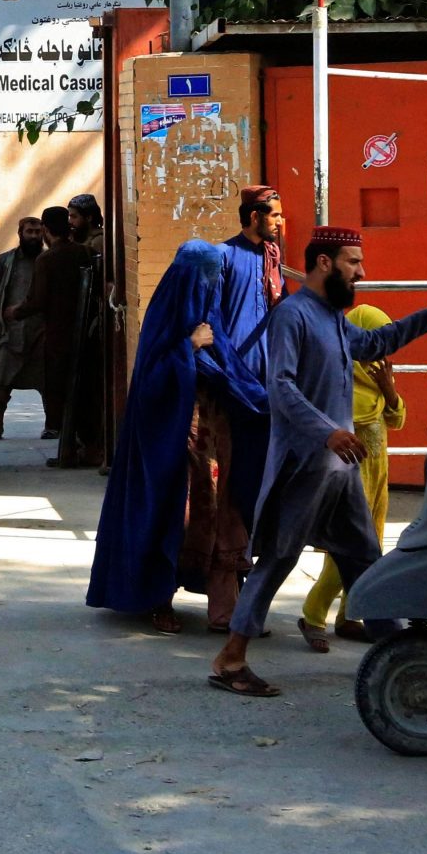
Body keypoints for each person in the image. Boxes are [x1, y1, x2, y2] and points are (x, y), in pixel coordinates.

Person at [210, 228, 427, 696]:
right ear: (324, 263)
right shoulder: (292, 316)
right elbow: (281, 386)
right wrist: (327, 431)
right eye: (353, 262)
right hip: (307, 462)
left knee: (363, 555)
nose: (362, 272)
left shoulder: (331, 316)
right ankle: (231, 658)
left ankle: (400, 658)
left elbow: (374, 344)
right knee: (279, 557)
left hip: (340, 464)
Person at [86, 241, 263, 633]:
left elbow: (228, 364)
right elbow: (151, 381)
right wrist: (189, 347)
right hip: (171, 442)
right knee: (172, 518)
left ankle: (226, 614)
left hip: (214, 439)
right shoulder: (167, 317)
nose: (213, 283)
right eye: (207, 276)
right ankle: (157, 601)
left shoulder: (211, 315)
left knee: (222, 519)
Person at [179, 186, 286, 628]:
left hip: (263, 392)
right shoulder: (222, 258)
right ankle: (223, 604)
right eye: (274, 215)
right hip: (227, 391)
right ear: (253, 215)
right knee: (223, 495)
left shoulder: (273, 257)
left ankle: (240, 599)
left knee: (253, 493)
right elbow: (210, 322)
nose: (280, 222)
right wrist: (227, 374)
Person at [297, 303, 406, 649]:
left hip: (377, 476)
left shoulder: (377, 377)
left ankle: (350, 616)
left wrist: (388, 388)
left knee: (371, 547)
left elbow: (397, 420)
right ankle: (313, 614)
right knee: (348, 549)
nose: (381, 351)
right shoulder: (340, 377)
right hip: (349, 476)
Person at [13, 206, 87, 443]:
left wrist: (15, 312)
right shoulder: (83, 253)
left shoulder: (47, 259)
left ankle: (64, 438)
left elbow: (36, 300)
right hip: (85, 328)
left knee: (57, 386)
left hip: (57, 333)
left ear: (45, 229)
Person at [0, 217, 49, 440]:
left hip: (41, 333)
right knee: (0, 381)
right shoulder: (6, 261)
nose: (34, 236)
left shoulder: (47, 260)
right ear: (20, 233)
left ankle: (52, 425)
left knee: (49, 382)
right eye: (29, 231)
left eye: (38, 232)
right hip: (11, 334)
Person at [57, 192, 111, 469]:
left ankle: (95, 448)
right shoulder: (82, 243)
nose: (70, 222)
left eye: (74, 216)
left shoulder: (97, 243)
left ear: (89, 217)